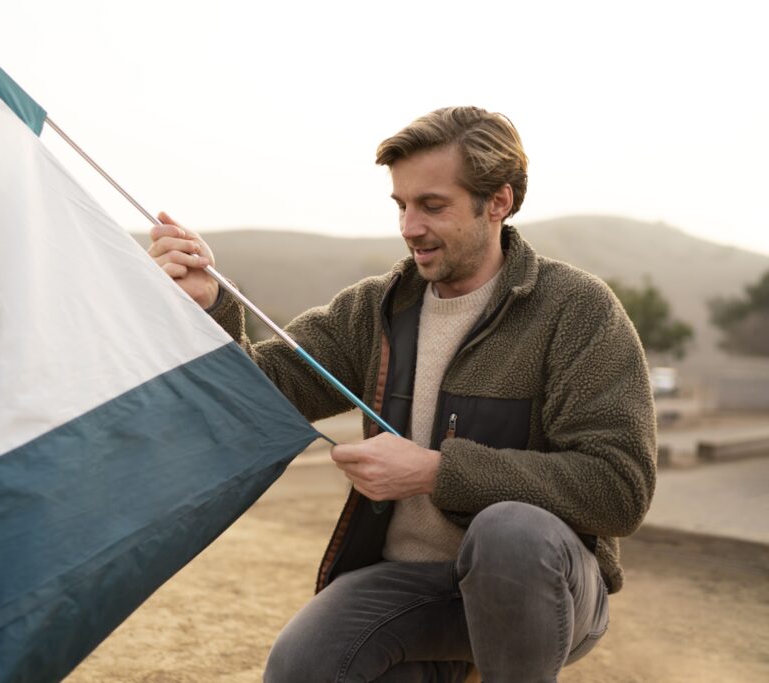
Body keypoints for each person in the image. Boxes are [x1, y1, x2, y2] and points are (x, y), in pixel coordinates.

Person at [148, 106, 657, 683]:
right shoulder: (373, 309)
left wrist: (436, 472)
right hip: (410, 585)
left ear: (499, 202)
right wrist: (212, 306)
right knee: (303, 664)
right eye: (401, 205)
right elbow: (261, 397)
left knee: (511, 532)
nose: (410, 226)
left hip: (545, 587)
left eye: (432, 206)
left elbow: (620, 489)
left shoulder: (577, 310)